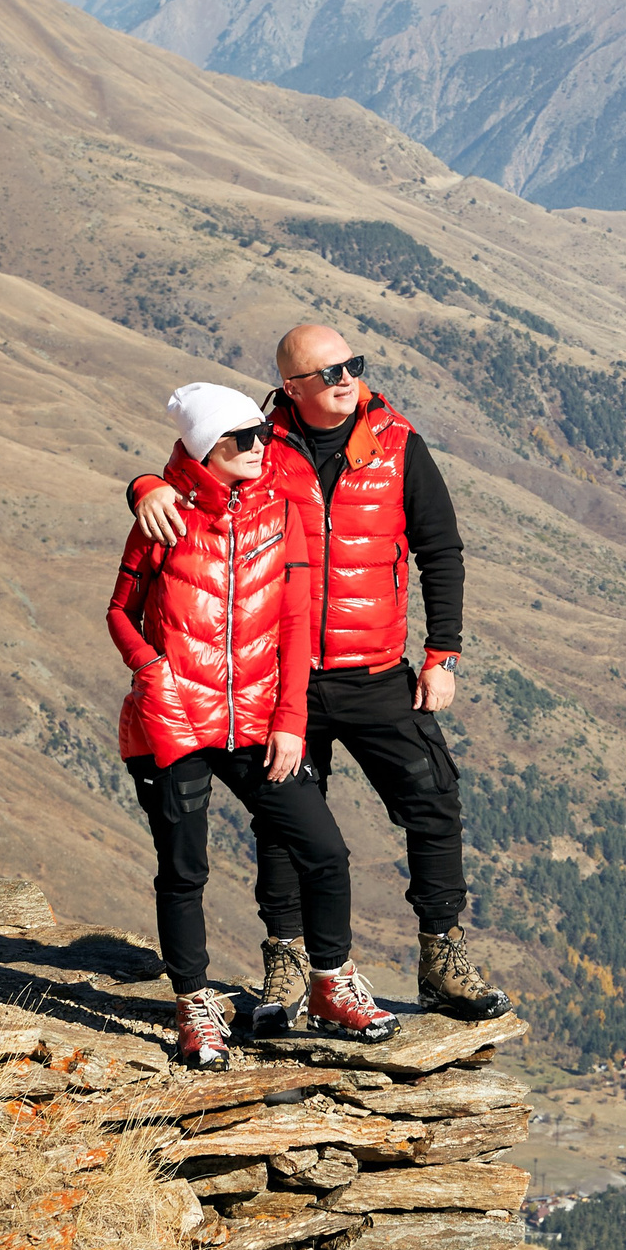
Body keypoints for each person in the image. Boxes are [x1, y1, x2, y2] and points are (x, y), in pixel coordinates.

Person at [131, 328, 514, 1024]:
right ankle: (289, 958)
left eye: (353, 365)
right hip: (286, 673)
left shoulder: (397, 443)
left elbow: (440, 547)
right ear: (293, 386)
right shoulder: (258, 442)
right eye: (330, 370)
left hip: (374, 669)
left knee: (433, 796)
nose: (348, 377)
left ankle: (441, 954)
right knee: (286, 820)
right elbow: (186, 477)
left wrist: (444, 652)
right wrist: (144, 484)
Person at [107, 380, 399, 1066]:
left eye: (261, 433)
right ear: (209, 448)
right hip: (175, 720)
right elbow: (120, 610)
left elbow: (297, 621)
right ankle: (195, 1007)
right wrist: (154, 674)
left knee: (323, 848)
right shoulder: (165, 516)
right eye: (242, 438)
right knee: (184, 868)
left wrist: (291, 719)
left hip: (259, 720)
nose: (260, 445)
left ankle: (328, 982)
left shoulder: (280, 511)